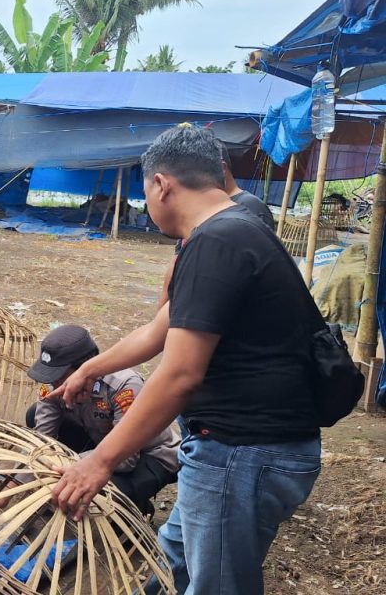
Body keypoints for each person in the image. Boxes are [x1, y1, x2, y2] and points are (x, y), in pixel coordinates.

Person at [49, 125, 322, 594]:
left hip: (243, 452)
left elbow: (180, 375)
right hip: (235, 449)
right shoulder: (236, 229)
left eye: (145, 193)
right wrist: (90, 369)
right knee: (171, 562)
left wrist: (99, 461)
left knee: (216, 585)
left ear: (161, 184)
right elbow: (158, 330)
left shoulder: (217, 243)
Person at [23, 325, 178, 515]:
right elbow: (41, 440)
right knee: (34, 414)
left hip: (147, 455)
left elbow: (126, 459)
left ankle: (135, 508)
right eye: (51, 376)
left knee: (96, 496)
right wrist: (14, 483)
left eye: (60, 377)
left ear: (84, 369)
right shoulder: (55, 384)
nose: (54, 384)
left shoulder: (124, 386)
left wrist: (67, 466)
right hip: (102, 441)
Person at [157, 138, 275, 307]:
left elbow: (244, 279)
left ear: (220, 169)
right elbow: (177, 260)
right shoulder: (198, 209)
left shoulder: (251, 208)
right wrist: (163, 307)